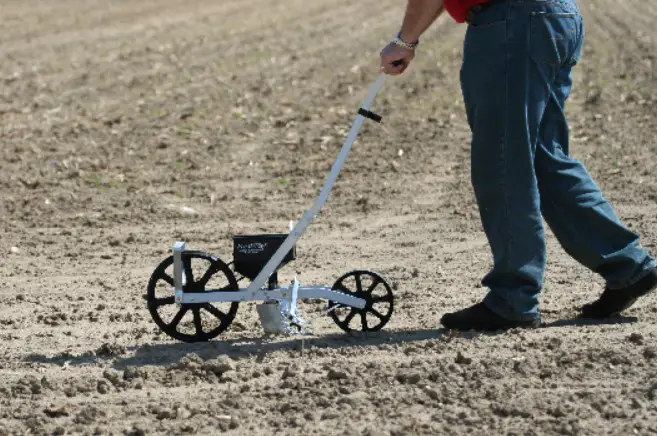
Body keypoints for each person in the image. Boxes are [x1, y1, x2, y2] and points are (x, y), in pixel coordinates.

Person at [379, 0, 657, 331]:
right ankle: (628, 267)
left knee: (503, 160)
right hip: (555, 17)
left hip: (511, 22)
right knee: (544, 158)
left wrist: (405, 40)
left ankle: (513, 298)